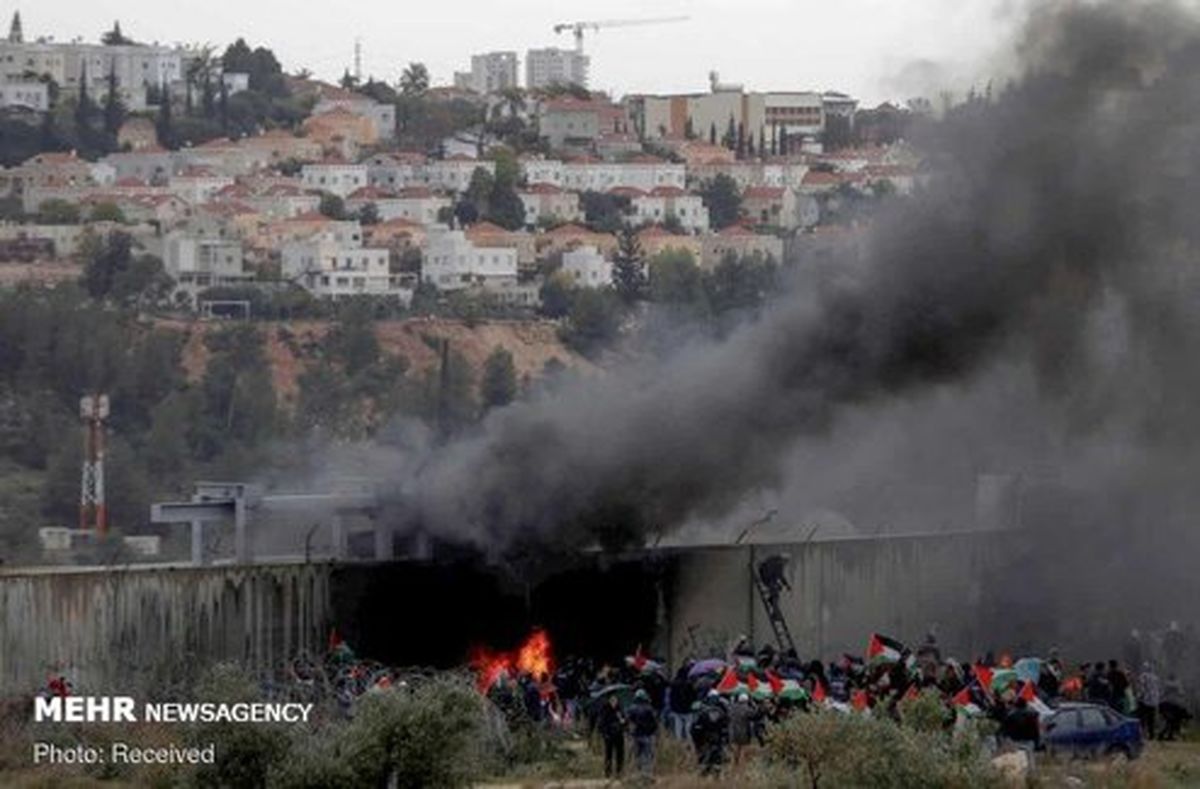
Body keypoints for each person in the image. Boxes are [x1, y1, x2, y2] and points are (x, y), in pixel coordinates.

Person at [691, 690, 729, 776]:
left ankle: (706, 772)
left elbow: (696, 727)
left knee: (705, 755)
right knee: (717, 755)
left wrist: (697, 741)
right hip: (715, 737)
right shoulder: (721, 711)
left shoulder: (703, 710)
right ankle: (715, 772)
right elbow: (726, 726)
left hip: (706, 737)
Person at [626, 688, 659, 777]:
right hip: (647, 735)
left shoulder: (631, 708)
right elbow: (655, 724)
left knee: (636, 756)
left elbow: (628, 722)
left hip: (635, 735)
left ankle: (637, 773)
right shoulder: (649, 709)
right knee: (647, 756)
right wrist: (653, 732)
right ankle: (647, 774)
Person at [597, 693, 627, 778]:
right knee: (608, 755)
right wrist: (604, 733)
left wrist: (623, 722)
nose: (614, 702)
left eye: (615, 700)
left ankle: (619, 772)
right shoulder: (605, 709)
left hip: (619, 735)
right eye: (612, 700)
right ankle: (608, 772)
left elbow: (625, 721)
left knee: (620, 755)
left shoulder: (620, 710)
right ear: (609, 701)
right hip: (609, 735)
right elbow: (601, 723)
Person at [668, 665, 697, 740]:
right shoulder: (689, 684)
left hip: (676, 709)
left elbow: (671, 697)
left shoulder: (674, 684)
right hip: (688, 709)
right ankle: (690, 742)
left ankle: (679, 743)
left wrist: (672, 707)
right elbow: (693, 697)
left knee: (678, 728)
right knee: (688, 728)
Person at [1159, 674, 1191, 741]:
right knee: (1174, 720)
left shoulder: (1165, 684)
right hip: (1173, 706)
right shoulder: (1177, 684)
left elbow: (1162, 694)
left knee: (1170, 721)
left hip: (1165, 705)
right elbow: (1182, 694)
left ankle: (1167, 735)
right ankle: (1168, 735)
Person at [729, 692, 755, 766]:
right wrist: (753, 703)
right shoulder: (747, 709)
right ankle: (741, 766)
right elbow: (755, 714)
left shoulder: (732, 707)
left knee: (735, 749)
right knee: (743, 750)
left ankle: (735, 763)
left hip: (733, 731)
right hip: (744, 732)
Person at [1136, 662, 1161, 739]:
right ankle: (1151, 734)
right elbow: (1158, 689)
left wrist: (1139, 697)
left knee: (1142, 718)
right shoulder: (1156, 678)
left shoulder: (1143, 676)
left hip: (1145, 700)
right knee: (1151, 719)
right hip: (1153, 701)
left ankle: (1142, 734)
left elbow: (1142, 688)